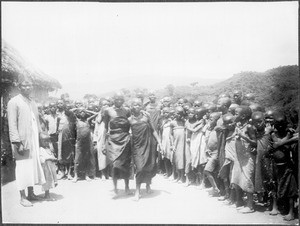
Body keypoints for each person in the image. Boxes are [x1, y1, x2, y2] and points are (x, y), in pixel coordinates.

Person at [7, 78, 46, 207]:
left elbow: (37, 120)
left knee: (32, 167)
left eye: (30, 85)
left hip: (33, 141)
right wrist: (17, 141)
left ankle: (31, 193)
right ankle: (22, 197)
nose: (28, 87)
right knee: (23, 168)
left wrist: (41, 135)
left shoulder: (32, 102)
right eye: (25, 85)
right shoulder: (14, 102)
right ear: (19, 87)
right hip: (22, 141)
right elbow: (12, 124)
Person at [129, 98, 162, 201]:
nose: (137, 106)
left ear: (142, 106)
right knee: (139, 168)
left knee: (149, 165)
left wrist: (159, 142)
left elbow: (153, 131)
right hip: (137, 146)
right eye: (135, 105)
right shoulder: (129, 120)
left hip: (148, 145)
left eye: (139, 104)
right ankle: (137, 191)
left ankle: (148, 185)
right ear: (132, 107)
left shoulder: (146, 117)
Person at [267, 112, 298, 221]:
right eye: (277, 124)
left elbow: (279, 144)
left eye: (282, 124)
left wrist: (285, 140)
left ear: (286, 124)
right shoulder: (272, 135)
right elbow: (274, 143)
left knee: (290, 189)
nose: (280, 127)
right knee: (274, 186)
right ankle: (275, 207)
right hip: (275, 165)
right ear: (274, 124)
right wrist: (285, 140)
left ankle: (291, 212)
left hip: (287, 166)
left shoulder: (290, 134)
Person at [103, 93, 132, 198]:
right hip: (113, 140)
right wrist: (103, 143)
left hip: (125, 139)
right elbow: (106, 127)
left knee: (125, 164)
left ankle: (127, 187)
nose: (119, 101)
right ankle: (115, 187)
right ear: (113, 100)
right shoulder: (108, 111)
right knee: (115, 165)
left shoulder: (127, 110)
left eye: (121, 99)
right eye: (117, 99)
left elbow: (131, 122)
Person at [232, 106, 257, 213]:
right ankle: (241, 201)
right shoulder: (239, 126)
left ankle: (250, 205)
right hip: (239, 157)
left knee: (247, 179)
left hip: (247, 157)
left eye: (236, 113)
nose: (234, 115)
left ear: (243, 116)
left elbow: (255, 142)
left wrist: (244, 136)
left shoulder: (250, 127)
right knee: (237, 178)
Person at [73, 107, 98, 182]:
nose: (82, 113)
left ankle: (86, 175)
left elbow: (96, 114)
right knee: (77, 159)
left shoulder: (88, 120)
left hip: (87, 142)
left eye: (83, 112)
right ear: (78, 113)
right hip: (79, 142)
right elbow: (70, 112)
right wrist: (77, 109)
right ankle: (76, 175)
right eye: (81, 112)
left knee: (87, 158)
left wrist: (86, 110)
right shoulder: (76, 120)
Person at [57, 99, 76, 180]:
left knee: (69, 154)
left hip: (68, 136)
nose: (60, 105)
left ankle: (69, 173)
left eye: (61, 103)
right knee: (60, 154)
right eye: (58, 103)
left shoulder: (69, 113)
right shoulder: (56, 113)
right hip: (60, 136)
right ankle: (62, 172)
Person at [204, 112, 222, 196]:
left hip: (216, 153)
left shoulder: (218, 130)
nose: (209, 120)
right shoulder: (212, 129)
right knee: (214, 172)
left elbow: (218, 142)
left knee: (207, 170)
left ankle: (216, 188)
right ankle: (216, 188)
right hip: (211, 153)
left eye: (211, 119)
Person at [94, 99, 111, 180]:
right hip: (101, 136)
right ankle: (103, 173)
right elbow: (96, 127)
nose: (106, 106)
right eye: (104, 105)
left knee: (109, 154)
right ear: (100, 106)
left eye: (107, 104)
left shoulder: (111, 114)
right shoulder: (99, 115)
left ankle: (108, 173)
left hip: (109, 135)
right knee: (101, 154)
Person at [170, 106, 186, 183]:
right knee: (177, 160)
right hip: (176, 144)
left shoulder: (184, 122)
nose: (179, 115)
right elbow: (170, 135)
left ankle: (182, 177)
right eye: (177, 114)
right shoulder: (172, 123)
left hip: (184, 144)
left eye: (180, 114)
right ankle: (178, 176)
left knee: (182, 160)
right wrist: (172, 144)